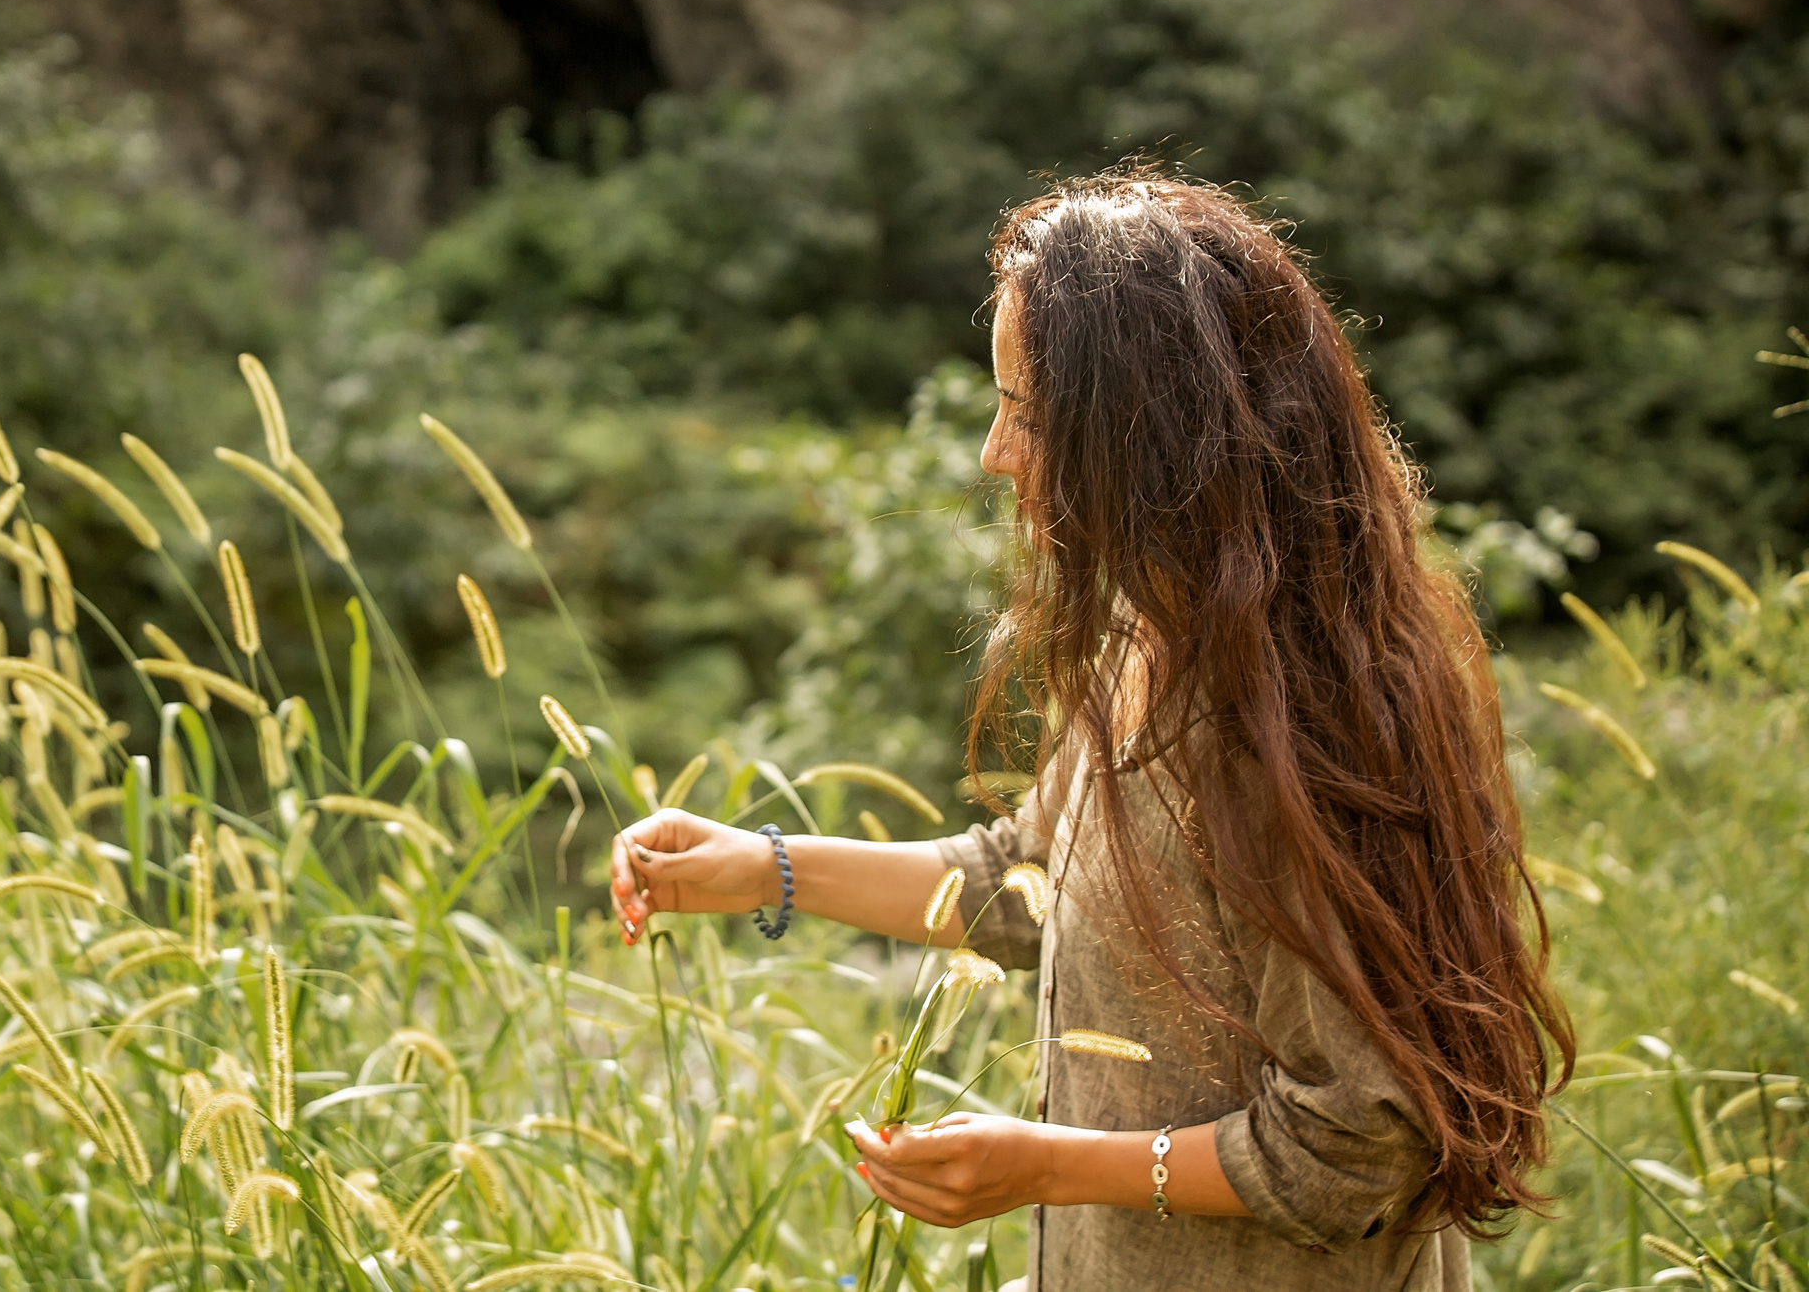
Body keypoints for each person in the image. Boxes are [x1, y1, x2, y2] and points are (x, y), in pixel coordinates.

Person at [609, 172, 1571, 1290]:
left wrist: (1049, 1166)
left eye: (1023, 410)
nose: (991, 453)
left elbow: (1362, 1142)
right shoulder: (1151, 625)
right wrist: (761, 869)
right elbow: (1030, 876)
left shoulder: (1283, 730)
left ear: (1145, 430)